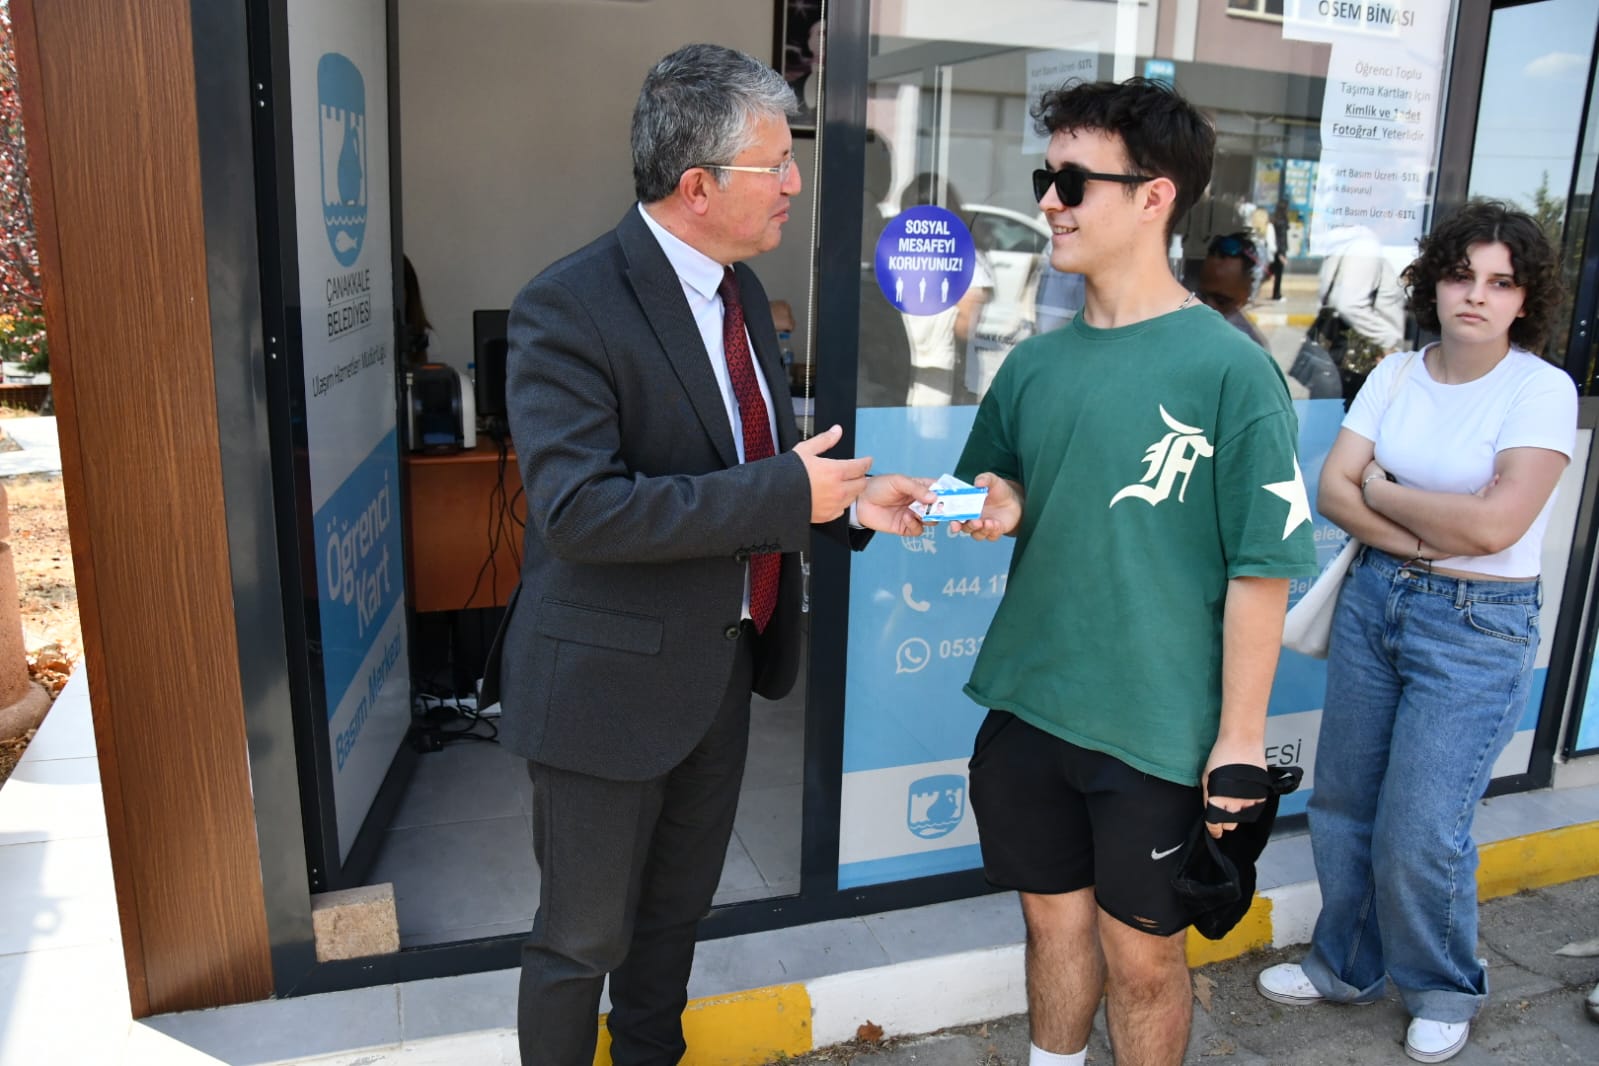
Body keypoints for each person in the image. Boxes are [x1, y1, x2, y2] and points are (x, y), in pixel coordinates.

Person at [482, 44, 932, 1066]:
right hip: (603, 692)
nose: (795, 184)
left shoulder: (740, 294)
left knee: (671, 927)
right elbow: (580, 512)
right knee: (580, 941)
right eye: (777, 165)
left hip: (718, 673)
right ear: (698, 186)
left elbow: (758, 473)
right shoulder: (569, 305)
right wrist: (789, 493)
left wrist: (850, 504)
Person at [946, 78, 1317, 1066]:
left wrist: (1240, 743)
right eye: (1045, 177)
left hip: (1157, 727)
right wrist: (989, 499)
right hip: (1032, 702)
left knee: (1144, 961)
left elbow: (1263, 567)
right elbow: (997, 481)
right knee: (1051, 928)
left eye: (1073, 181)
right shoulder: (1033, 365)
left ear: (1154, 196)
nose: (1049, 201)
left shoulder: (1230, 369)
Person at [1256, 200, 1577, 1064]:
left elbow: (1496, 527)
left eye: (1500, 283)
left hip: (1476, 625)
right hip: (1375, 598)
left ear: (1524, 299)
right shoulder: (1397, 372)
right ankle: (1345, 966)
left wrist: (1384, 492)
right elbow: (1332, 489)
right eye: (1461, 275)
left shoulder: (1538, 389)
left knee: (1423, 826)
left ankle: (1441, 986)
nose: (1476, 295)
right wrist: (1427, 529)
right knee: (1344, 802)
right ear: (1432, 282)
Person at [1316, 222, 1407, 406]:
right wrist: (1388, 340)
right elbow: (1349, 304)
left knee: (1330, 412)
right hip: (1362, 359)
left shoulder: (1347, 243)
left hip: (1337, 354)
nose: (1402, 222)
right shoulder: (1366, 246)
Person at [1196, 231, 1270, 350]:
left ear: (1247, 293)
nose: (1208, 307)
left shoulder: (1248, 349)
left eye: (1221, 301)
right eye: (1201, 297)